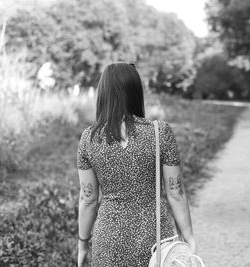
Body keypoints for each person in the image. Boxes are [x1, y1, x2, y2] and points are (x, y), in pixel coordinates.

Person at [76, 62, 195, 266]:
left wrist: (82, 243)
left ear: (103, 94)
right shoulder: (160, 132)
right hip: (156, 242)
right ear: (135, 92)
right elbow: (175, 192)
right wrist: (188, 236)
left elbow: (88, 200)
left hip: (108, 241)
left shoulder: (89, 138)